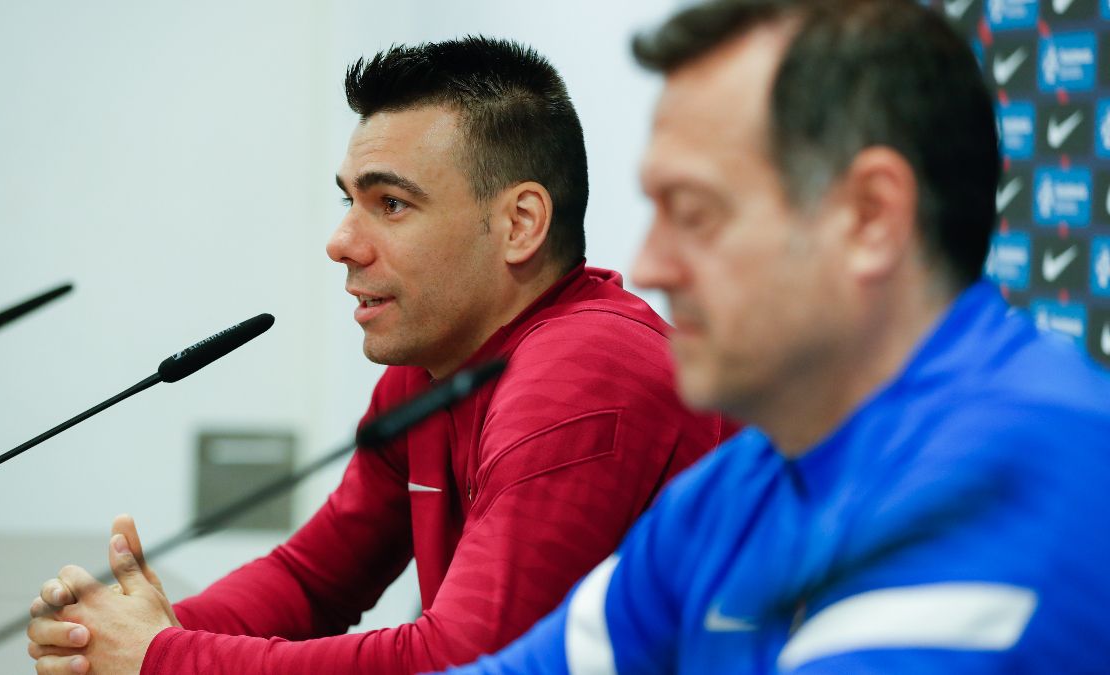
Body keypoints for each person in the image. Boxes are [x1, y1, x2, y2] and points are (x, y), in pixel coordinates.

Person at [24, 37, 736, 675]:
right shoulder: (431, 370)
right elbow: (313, 579)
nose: (342, 241)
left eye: (390, 204)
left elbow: (463, 662)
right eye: (348, 200)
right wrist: (118, 635)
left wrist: (165, 657)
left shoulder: (587, 367)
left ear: (520, 223)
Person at [445, 1, 1110, 673]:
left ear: (870, 217)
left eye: (694, 213)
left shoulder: (1017, 474)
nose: (649, 264)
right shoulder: (732, 492)